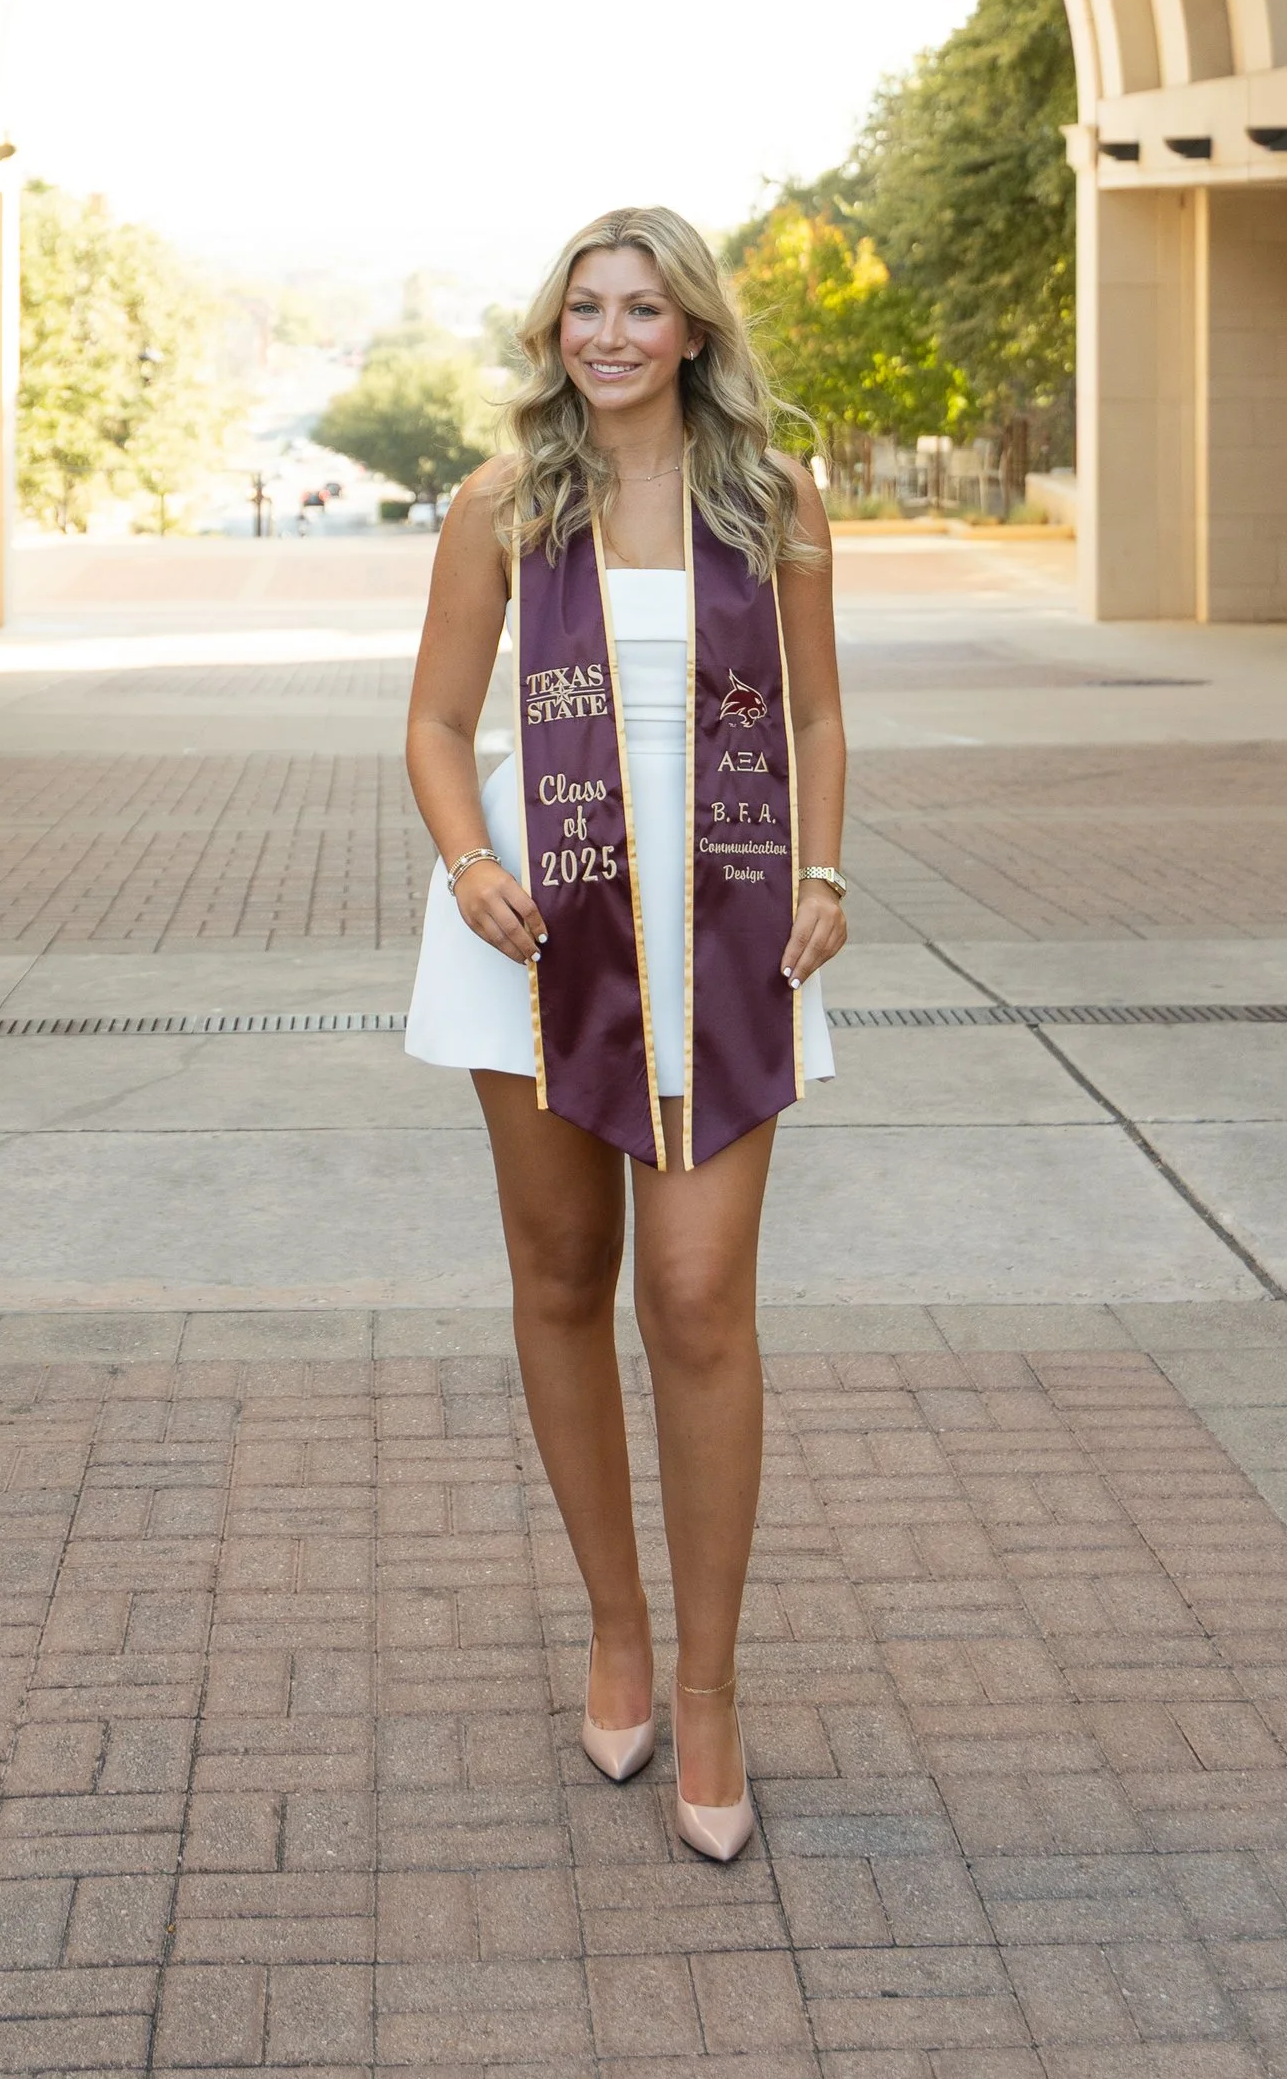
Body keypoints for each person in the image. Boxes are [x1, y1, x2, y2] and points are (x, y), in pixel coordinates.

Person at [404, 205, 849, 1864]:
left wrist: (823, 869)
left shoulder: (772, 500)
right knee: (560, 1274)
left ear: (692, 332)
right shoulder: (505, 506)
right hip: (538, 930)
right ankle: (615, 1626)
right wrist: (467, 865)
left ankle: (717, 1697)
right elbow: (439, 720)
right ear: (553, 331)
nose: (607, 334)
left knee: (698, 1294)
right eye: (583, 307)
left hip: (728, 931)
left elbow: (815, 712)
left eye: (639, 307)